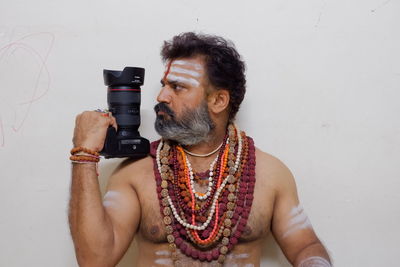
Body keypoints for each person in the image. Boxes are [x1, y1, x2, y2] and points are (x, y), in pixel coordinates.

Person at [69, 32, 332, 267]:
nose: (161, 96)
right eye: (163, 85)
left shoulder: (269, 174)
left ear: (218, 100)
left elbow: (305, 246)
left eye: (177, 87)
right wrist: (84, 154)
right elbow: (95, 261)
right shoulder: (137, 174)